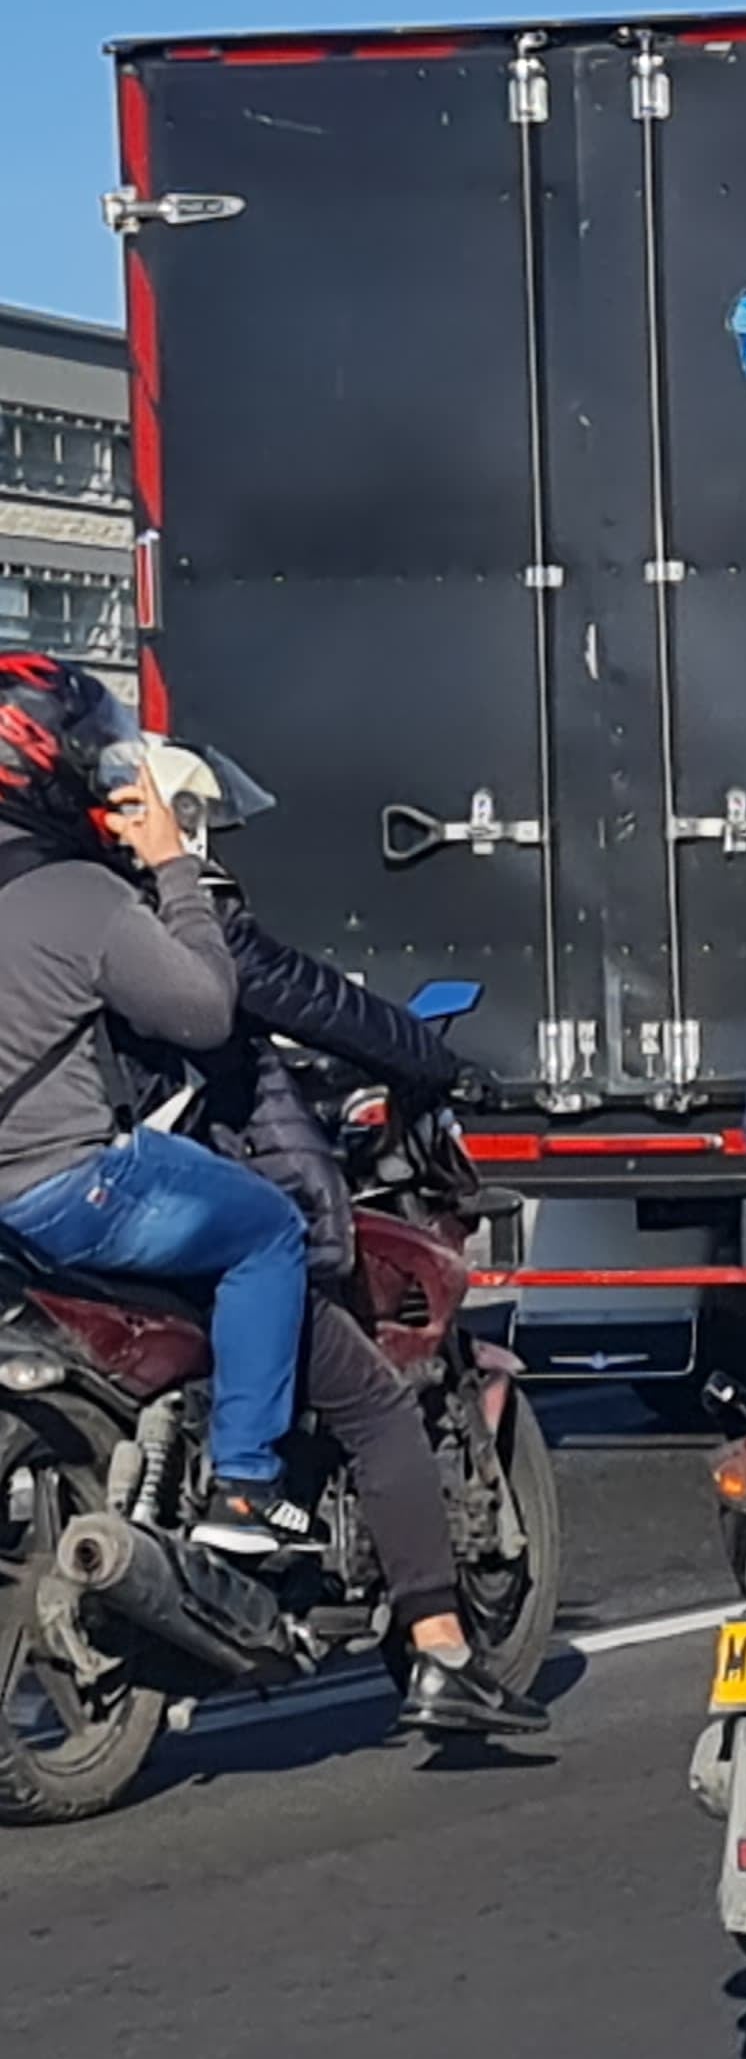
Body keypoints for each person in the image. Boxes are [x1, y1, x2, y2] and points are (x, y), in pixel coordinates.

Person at [118, 742, 543, 1738]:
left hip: (68, 1207)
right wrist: (434, 1060)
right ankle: (441, 1650)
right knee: (374, 1404)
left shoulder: (52, 922)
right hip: (195, 1207)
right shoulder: (188, 927)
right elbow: (324, 1004)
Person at [0, 656, 310, 1550]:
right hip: (60, 1186)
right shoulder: (79, 895)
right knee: (268, 1231)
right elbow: (204, 1013)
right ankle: (246, 1481)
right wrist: (174, 868)